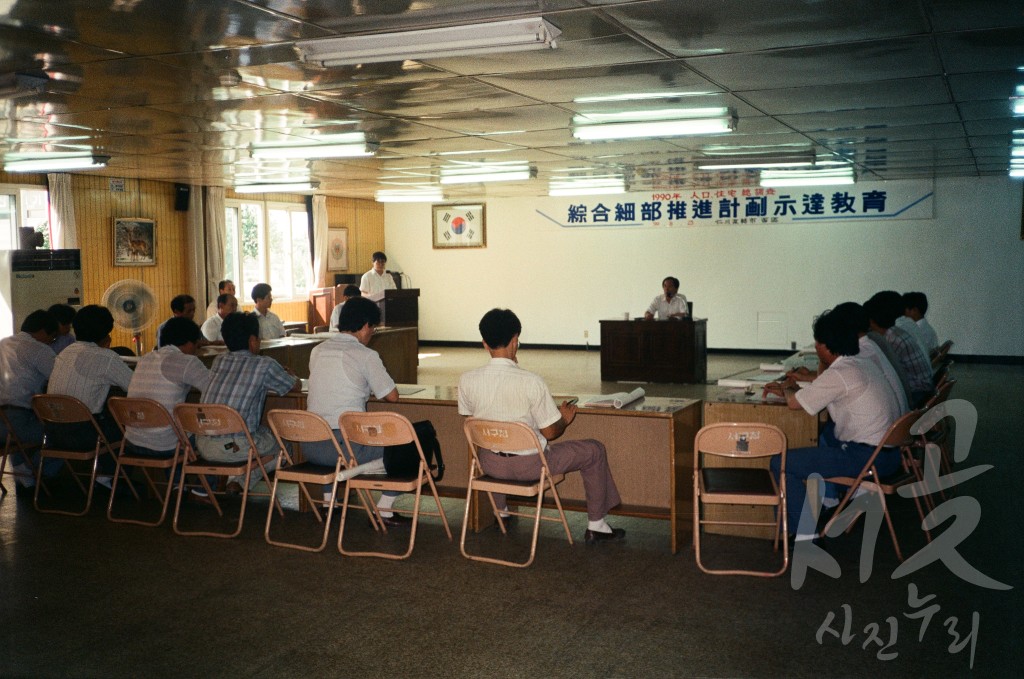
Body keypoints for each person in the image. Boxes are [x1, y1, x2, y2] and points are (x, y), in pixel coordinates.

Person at [458, 308, 625, 544]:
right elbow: (550, 432)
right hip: (531, 467)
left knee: (492, 442)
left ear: (485, 343)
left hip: (490, 466)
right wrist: (564, 418)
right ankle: (597, 525)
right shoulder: (531, 382)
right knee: (594, 450)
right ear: (515, 340)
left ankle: (502, 514)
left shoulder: (466, 380)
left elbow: (474, 418)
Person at [763, 308, 902, 542]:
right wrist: (794, 390)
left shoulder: (841, 372)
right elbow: (819, 392)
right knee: (824, 433)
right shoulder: (860, 363)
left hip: (866, 458)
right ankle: (827, 502)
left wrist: (787, 388)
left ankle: (805, 537)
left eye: (817, 342)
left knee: (782, 463)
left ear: (825, 345)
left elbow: (796, 404)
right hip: (889, 454)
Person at [305, 296, 407, 522]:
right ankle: (385, 508)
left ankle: (330, 500)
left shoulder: (317, 351)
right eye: (373, 328)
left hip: (311, 446)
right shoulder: (366, 355)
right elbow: (392, 396)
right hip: (344, 450)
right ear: (365, 326)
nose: (372, 334)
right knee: (406, 450)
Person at [197, 312, 299, 491]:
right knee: (286, 446)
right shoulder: (264, 364)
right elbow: (294, 386)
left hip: (204, 444)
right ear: (253, 341)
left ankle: (236, 480)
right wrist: (290, 375)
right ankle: (241, 481)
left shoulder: (218, 361)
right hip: (238, 447)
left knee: (259, 434)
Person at [46, 305, 133, 479]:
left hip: (53, 432)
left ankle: (104, 476)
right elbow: (135, 387)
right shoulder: (105, 357)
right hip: (85, 435)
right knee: (128, 425)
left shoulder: (65, 353)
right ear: (108, 331)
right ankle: (113, 478)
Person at [126, 317, 211, 457]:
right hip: (166, 445)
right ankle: (203, 479)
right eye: (196, 345)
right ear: (189, 342)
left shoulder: (145, 358)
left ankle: (178, 478)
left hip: (133, 441)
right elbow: (213, 389)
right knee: (214, 438)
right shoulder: (186, 361)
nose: (196, 350)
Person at [0, 309, 59, 489]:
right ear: (42, 331)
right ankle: (31, 469)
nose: (52, 341)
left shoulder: (3, 343)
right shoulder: (39, 349)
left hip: (3, 422)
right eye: (53, 337)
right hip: (18, 422)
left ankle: (25, 475)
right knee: (63, 435)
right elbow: (59, 377)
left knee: (22, 435)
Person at [864, 291, 933, 407]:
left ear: (871, 321)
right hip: (925, 388)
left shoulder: (891, 339)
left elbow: (887, 373)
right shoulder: (897, 330)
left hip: (918, 393)